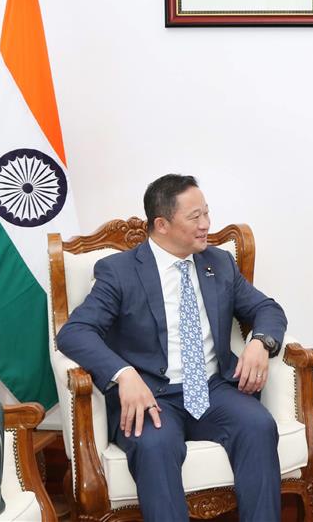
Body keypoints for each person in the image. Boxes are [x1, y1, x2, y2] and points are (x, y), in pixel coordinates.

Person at [56, 174, 287, 522]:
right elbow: (75, 332)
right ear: (162, 224)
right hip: (152, 397)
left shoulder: (218, 262)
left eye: (207, 213)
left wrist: (260, 342)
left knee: (258, 426)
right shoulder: (119, 272)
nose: (206, 225)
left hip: (215, 389)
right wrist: (124, 374)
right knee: (155, 445)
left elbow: (267, 309)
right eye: (195, 217)